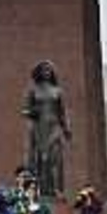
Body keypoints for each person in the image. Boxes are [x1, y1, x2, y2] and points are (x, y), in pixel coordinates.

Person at [22, 60, 71, 195]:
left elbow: (62, 111)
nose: (46, 73)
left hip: (54, 127)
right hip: (39, 128)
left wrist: (66, 128)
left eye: (49, 70)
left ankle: (56, 188)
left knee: (54, 157)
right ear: (39, 73)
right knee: (40, 158)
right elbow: (25, 110)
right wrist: (33, 112)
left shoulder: (57, 91)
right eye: (44, 70)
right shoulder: (33, 90)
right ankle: (39, 189)